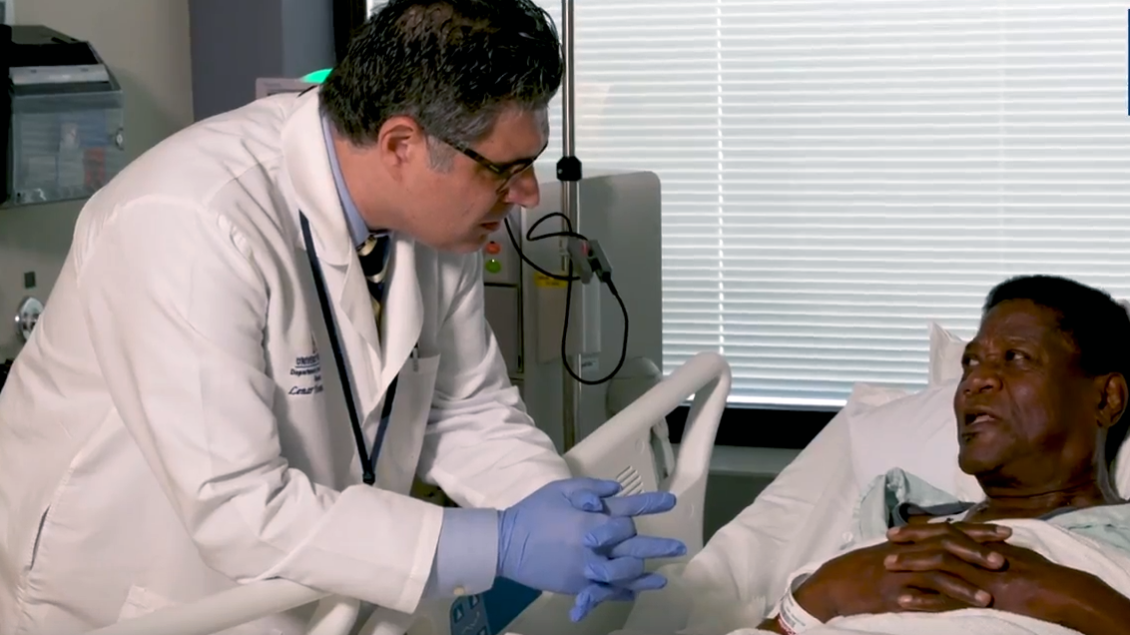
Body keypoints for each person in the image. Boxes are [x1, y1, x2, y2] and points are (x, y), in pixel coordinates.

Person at [0, 1, 686, 633]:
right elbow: (240, 510)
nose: (530, 195)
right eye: (509, 169)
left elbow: (466, 408)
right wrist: (497, 541)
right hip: (143, 593)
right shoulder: (188, 221)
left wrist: (560, 509)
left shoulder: (439, 217)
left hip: (318, 582)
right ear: (400, 145)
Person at [755, 274, 1130, 634]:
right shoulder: (894, 533)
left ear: (1106, 398)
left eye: (1015, 356)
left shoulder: (1113, 544)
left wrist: (1053, 593)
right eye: (970, 362)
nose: (975, 380)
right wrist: (819, 593)